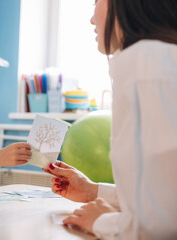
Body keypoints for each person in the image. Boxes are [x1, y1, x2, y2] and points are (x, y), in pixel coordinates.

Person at [44, 0, 177, 239]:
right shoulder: (158, 60)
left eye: (96, 1)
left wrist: (104, 222)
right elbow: (163, 195)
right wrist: (92, 191)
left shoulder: (146, 64)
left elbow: (161, 226)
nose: (92, 18)